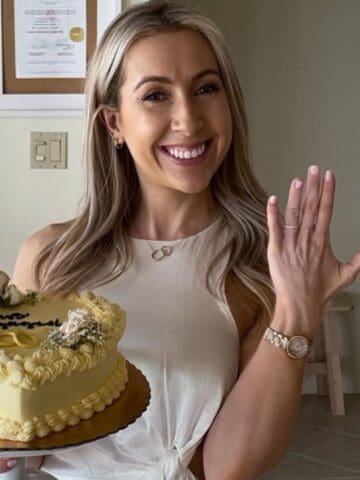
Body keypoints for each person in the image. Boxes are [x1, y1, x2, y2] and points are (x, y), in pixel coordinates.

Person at [1, 1, 359, 479]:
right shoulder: (50, 257)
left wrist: (298, 310)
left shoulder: (258, 266)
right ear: (114, 124)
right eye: (155, 96)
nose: (188, 120)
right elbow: (30, 435)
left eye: (206, 88)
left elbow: (229, 467)